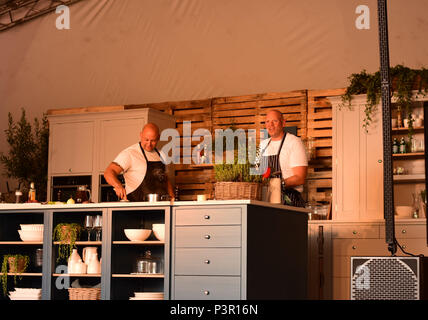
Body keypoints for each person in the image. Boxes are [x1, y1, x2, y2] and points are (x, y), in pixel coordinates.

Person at [104, 123, 174, 202]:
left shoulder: (162, 154)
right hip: (137, 207)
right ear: (141, 135)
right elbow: (109, 172)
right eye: (146, 140)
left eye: (153, 141)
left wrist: (172, 199)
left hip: (161, 206)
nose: (149, 144)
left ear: (158, 137)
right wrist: (118, 185)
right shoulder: (130, 153)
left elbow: (166, 180)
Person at [259, 110, 308, 207]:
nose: (270, 125)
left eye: (275, 121)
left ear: (283, 123)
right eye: (267, 121)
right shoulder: (263, 145)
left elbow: (300, 178)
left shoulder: (294, 142)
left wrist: (277, 184)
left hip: (290, 200)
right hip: (267, 200)